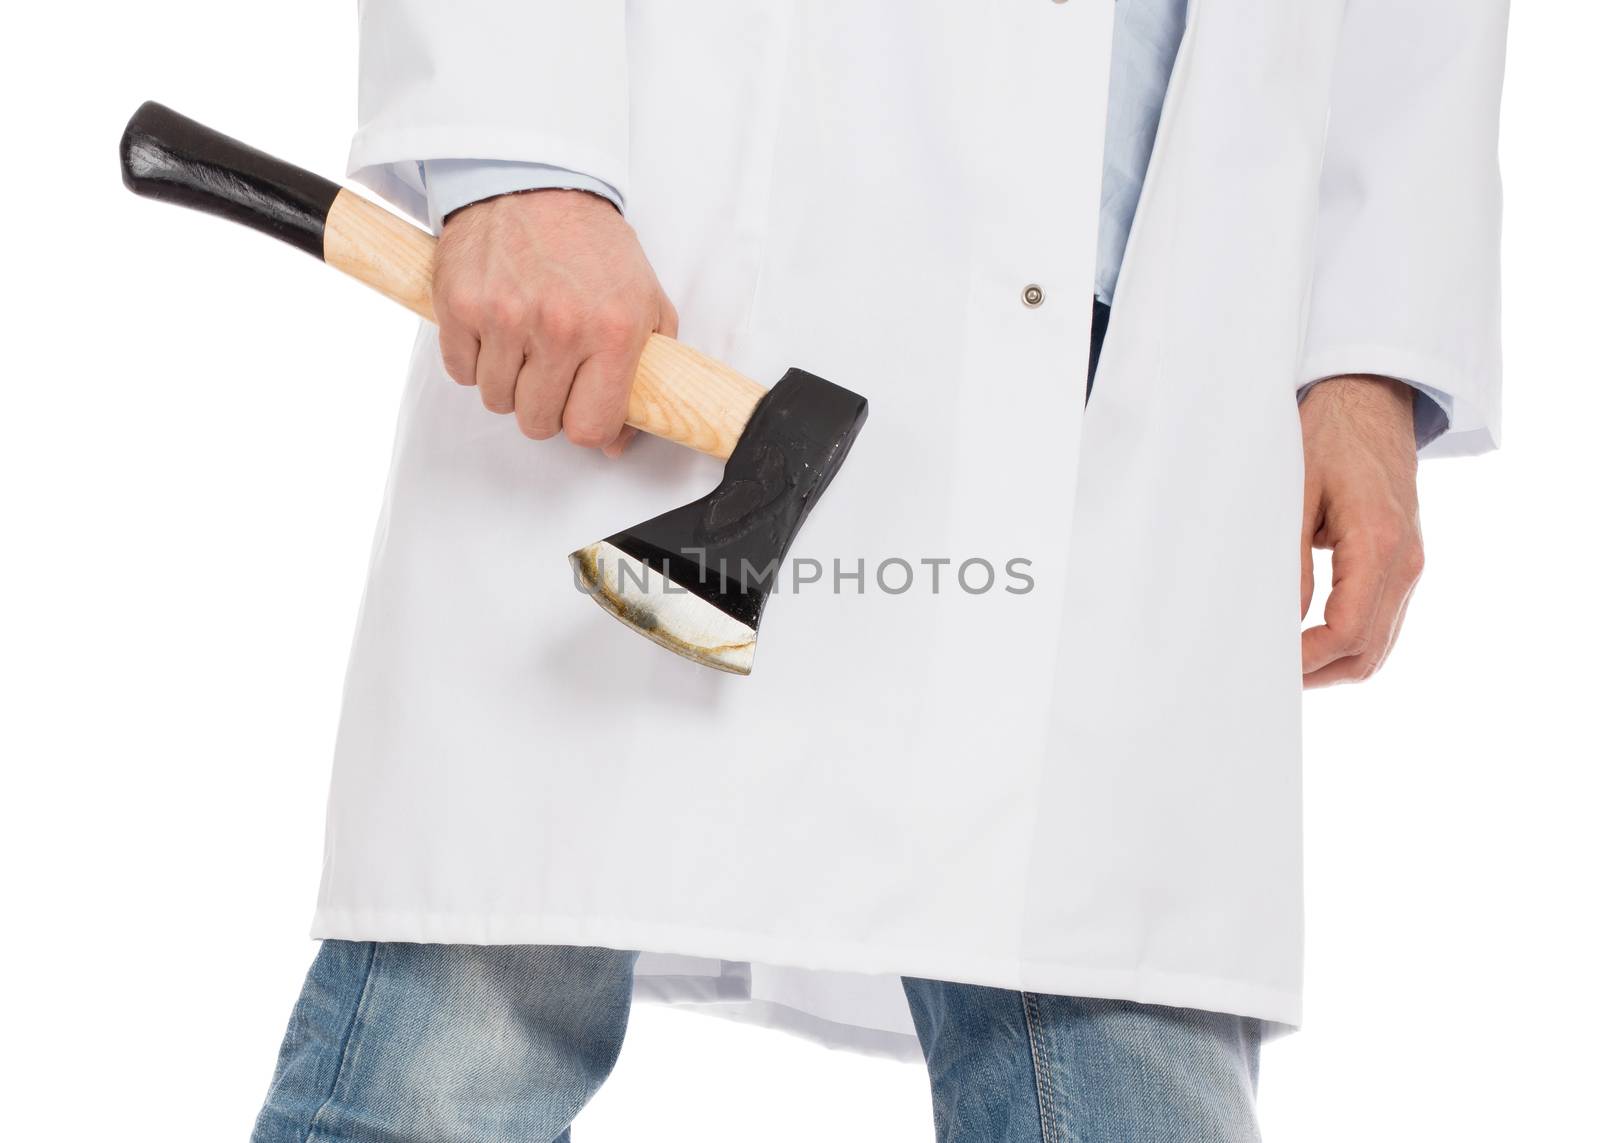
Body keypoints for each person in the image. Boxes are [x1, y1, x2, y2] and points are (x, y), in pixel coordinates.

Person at [251, 1, 1510, 1139]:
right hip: (686, 256)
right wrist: (513, 148)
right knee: (455, 1029)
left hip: (1146, 349)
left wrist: (1367, 352)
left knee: (1122, 1057)